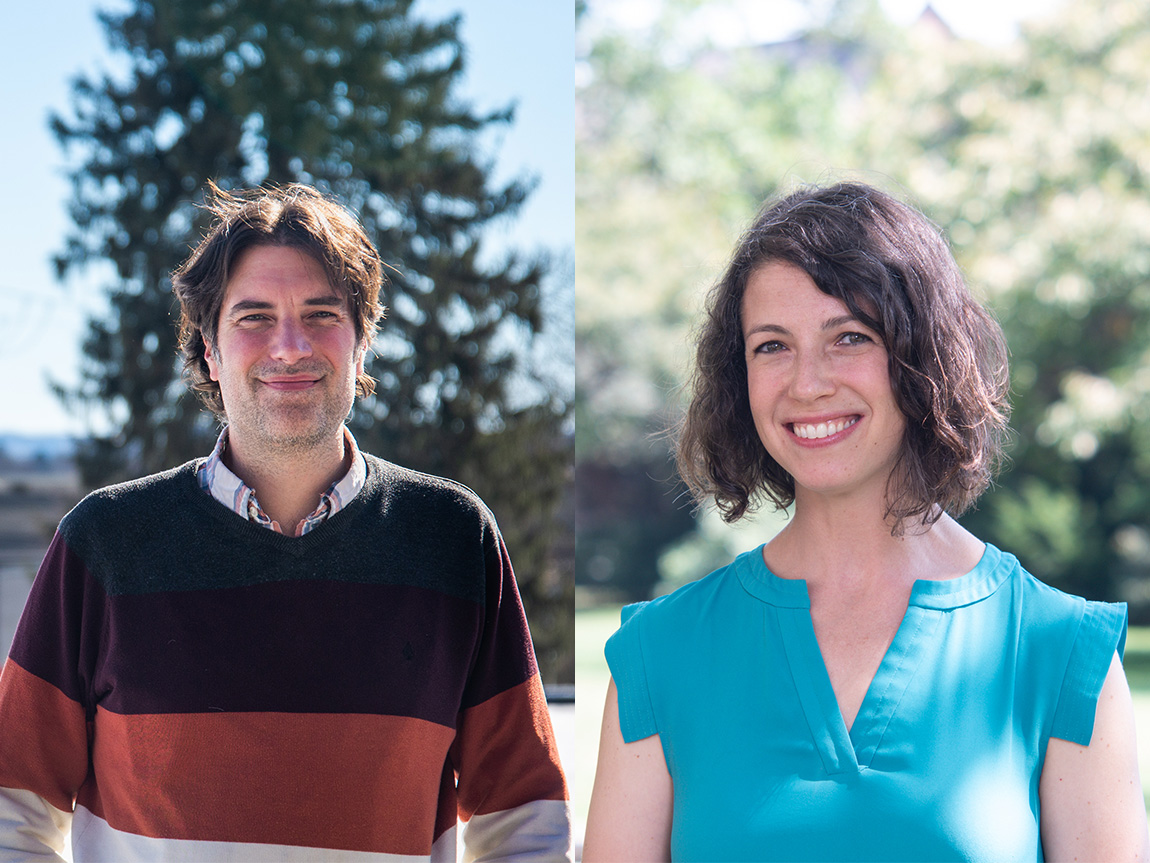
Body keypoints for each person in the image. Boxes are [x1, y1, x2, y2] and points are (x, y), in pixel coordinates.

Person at [0, 183, 571, 862]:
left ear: (363, 344)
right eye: (254, 317)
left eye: (322, 313)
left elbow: (525, 824)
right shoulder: (104, 545)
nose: (290, 345)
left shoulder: (452, 538)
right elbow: (13, 807)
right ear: (210, 350)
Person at [582, 182, 1149, 861]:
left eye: (849, 335)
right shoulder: (658, 656)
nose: (808, 382)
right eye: (771, 345)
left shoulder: (1061, 655)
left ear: (923, 356)